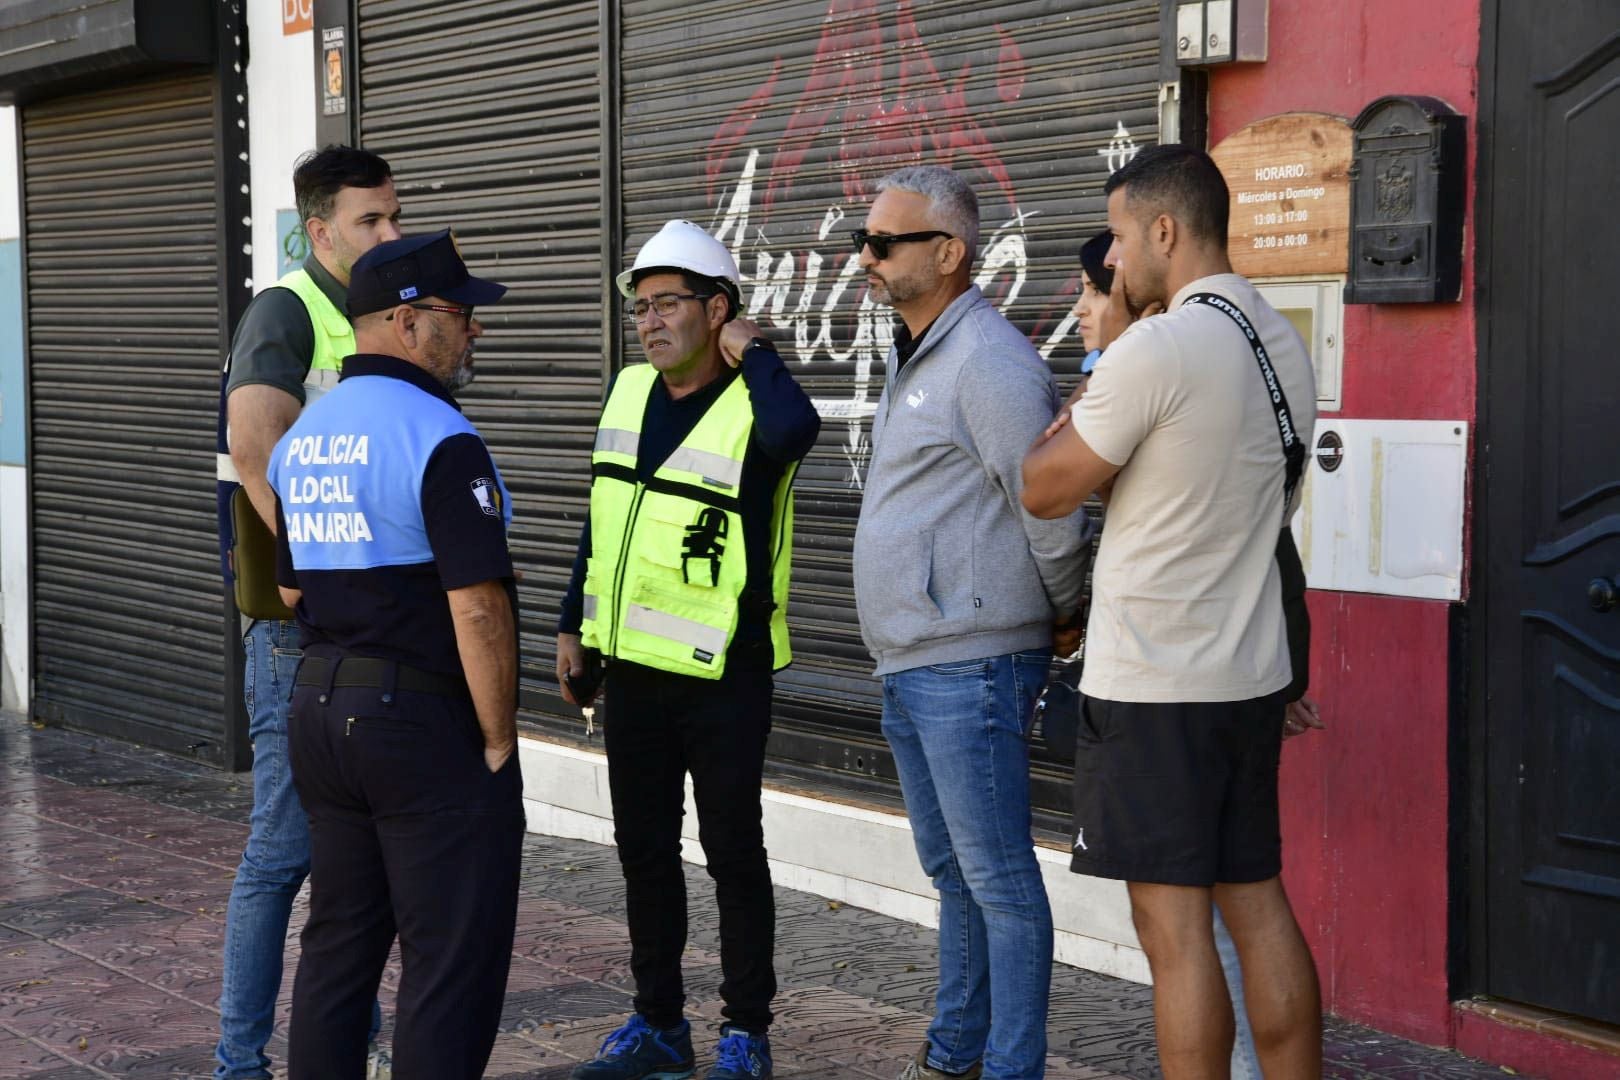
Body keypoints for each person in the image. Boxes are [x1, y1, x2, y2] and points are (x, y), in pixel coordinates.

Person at [1022, 144, 1322, 1078]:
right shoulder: (1279, 339)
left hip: (1155, 685)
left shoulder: (1157, 347)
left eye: (1116, 238)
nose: (1110, 262)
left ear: (1164, 229)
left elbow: (1043, 487)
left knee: (1175, 937)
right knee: (1259, 902)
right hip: (1248, 679)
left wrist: (1079, 405)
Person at [555, 219, 820, 1080]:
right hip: (631, 670)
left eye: (669, 303)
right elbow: (603, 521)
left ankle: (747, 1030)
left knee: (733, 851)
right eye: (641, 306)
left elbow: (798, 433)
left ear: (717, 310)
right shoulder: (628, 392)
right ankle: (659, 1024)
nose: (651, 321)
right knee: (643, 852)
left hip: (723, 675)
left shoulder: (756, 405)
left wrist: (759, 350)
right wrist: (573, 623)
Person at [849, 165, 1092, 1080]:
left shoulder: (988, 361)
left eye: (883, 243)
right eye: (865, 241)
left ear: (948, 253)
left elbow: (1050, 503)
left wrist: (1062, 607)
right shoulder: (924, 352)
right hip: (915, 663)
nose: (864, 258)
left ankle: (1008, 1066)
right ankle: (956, 1056)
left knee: (1000, 883)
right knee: (956, 876)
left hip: (972, 662)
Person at [267, 230, 522, 1078]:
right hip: (420, 725)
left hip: (320, 711)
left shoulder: (304, 437)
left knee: (340, 945)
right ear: (408, 324)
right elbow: (478, 606)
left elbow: (293, 589)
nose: (474, 331)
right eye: (460, 314)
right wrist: (496, 739)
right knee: (450, 957)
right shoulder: (441, 436)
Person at [213, 145, 400, 1080]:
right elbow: (255, 445)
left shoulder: (365, 315)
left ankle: (348, 1047)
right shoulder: (287, 313)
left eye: (393, 217)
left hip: (352, 631)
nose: (389, 234)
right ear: (319, 230)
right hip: (298, 633)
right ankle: (239, 1064)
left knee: (348, 861)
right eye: (371, 221)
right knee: (284, 853)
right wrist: (310, 578)